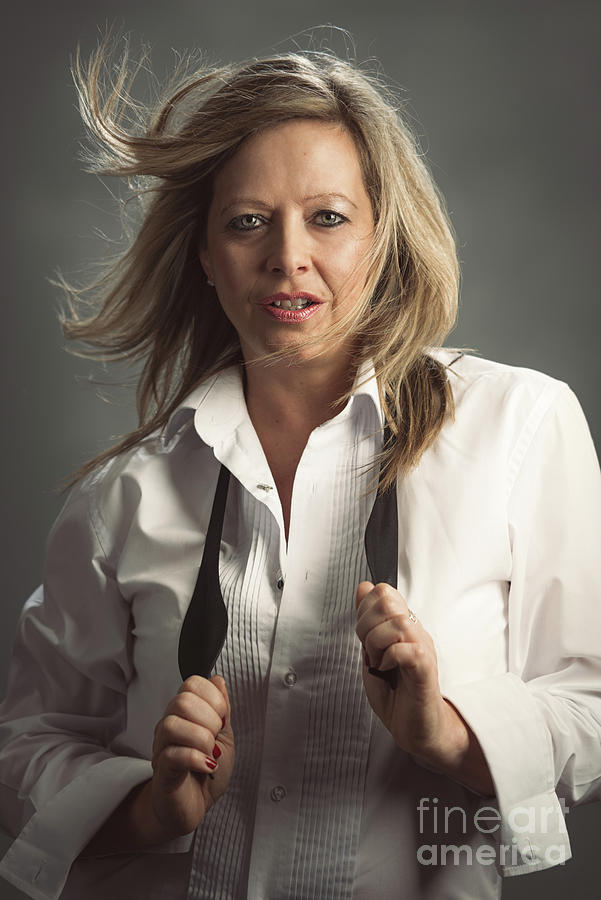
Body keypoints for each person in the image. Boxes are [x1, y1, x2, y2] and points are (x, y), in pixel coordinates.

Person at [0, 34, 600, 900]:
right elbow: (26, 743)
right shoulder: (122, 496)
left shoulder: (520, 427)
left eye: (327, 216)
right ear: (205, 256)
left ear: (382, 236)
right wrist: (146, 812)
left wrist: (447, 738)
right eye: (247, 222)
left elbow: (587, 713)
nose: (287, 256)